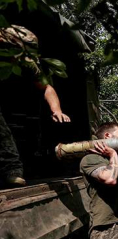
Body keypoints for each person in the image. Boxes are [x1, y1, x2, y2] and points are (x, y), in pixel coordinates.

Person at [0, 25, 71, 188]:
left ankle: (13, 172)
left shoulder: (27, 62)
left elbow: (46, 87)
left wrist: (56, 110)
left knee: (3, 132)